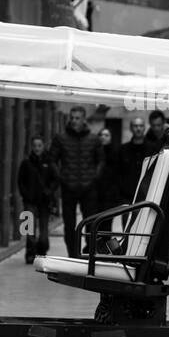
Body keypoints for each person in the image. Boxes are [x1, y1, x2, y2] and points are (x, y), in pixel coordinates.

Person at [49, 106, 100, 258]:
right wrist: (61, 177)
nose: (73, 121)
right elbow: (52, 160)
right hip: (68, 187)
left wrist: (94, 178)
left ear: (84, 119)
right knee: (69, 225)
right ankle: (73, 255)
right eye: (72, 117)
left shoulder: (93, 139)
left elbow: (101, 160)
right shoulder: (60, 138)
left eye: (77, 118)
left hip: (88, 187)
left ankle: (89, 252)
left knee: (91, 223)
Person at [17, 135, 58, 264]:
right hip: (29, 201)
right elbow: (20, 181)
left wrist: (49, 192)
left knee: (44, 232)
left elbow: (56, 179)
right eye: (34, 145)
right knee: (29, 230)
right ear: (31, 147)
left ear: (43, 146)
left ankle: (42, 251)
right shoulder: (26, 163)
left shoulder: (49, 162)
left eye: (39, 145)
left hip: (44, 202)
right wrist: (25, 195)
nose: (37, 148)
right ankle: (30, 253)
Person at [118, 117, 152, 203]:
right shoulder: (123, 149)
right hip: (126, 195)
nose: (138, 128)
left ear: (144, 128)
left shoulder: (152, 148)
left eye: (141, 126)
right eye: (135, 126)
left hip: (146, 193)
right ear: (131, 128)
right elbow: (118, 172)